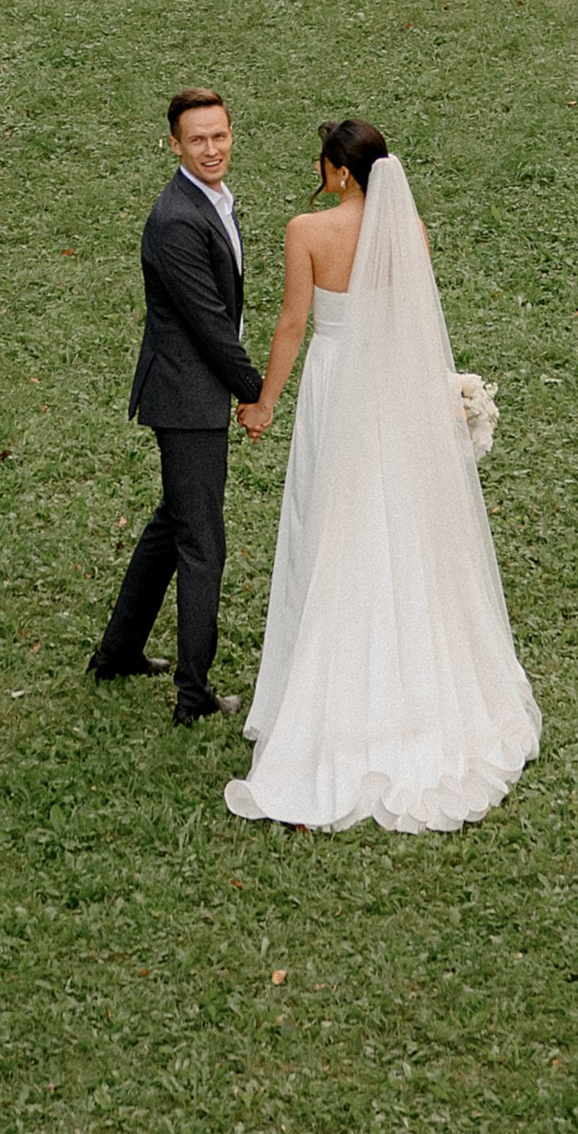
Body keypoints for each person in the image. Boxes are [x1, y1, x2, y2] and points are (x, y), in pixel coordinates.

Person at [225, 121, 539, 834]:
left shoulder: (307, 230)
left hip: (336, 391)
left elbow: (293, 324)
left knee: (323, 519)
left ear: (338, 171)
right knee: (394, 522)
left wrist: (264, 402)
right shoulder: (411, 231)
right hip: (392, 395)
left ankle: (312, 691)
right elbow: (415, 325)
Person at [88, 88, 265, 726]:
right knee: (202, 542)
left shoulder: (212, 198)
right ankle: (194, 695)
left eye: (219, 136)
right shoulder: (175, 219)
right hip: (188, 397)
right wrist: (257, 392)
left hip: (195, 389)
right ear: (174, 145)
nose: (212, 149)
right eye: (198, 140)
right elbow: (211, 323)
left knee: (172, 523)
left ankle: (117, 653)